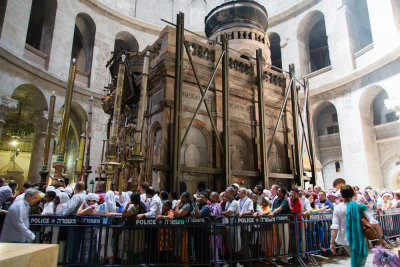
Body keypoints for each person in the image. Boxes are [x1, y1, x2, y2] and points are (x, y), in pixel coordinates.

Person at [330, 185, 385, 267]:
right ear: (353, 193)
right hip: (360, 239)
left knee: (356, 259)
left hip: (345, 240)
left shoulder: (337, 208)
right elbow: (373, 222)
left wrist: (332, 242)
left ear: (342, 195)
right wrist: (381, 237)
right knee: (360, 260)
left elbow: (335, 226)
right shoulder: (360, 206)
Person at [122, 192, 146, 265]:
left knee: (132, 247)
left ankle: (132, 263)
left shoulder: (134, 208)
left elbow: (124, 215)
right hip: (140, 229)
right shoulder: (142, 205)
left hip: (133, 230)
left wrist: (127, 205)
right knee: (139, 247)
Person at [193, 191, 211, 262]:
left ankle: (204, 262)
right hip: (198, 228)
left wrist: (197, 204)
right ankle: (198, 260)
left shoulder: (206, 206)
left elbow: (198, 215)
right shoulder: (199, 205)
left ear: (206, 199)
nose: (200, 198)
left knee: (203, 246)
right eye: (199, 197)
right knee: (197, 246)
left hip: (204, 229)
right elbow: (194, 214)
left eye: (202, 197)